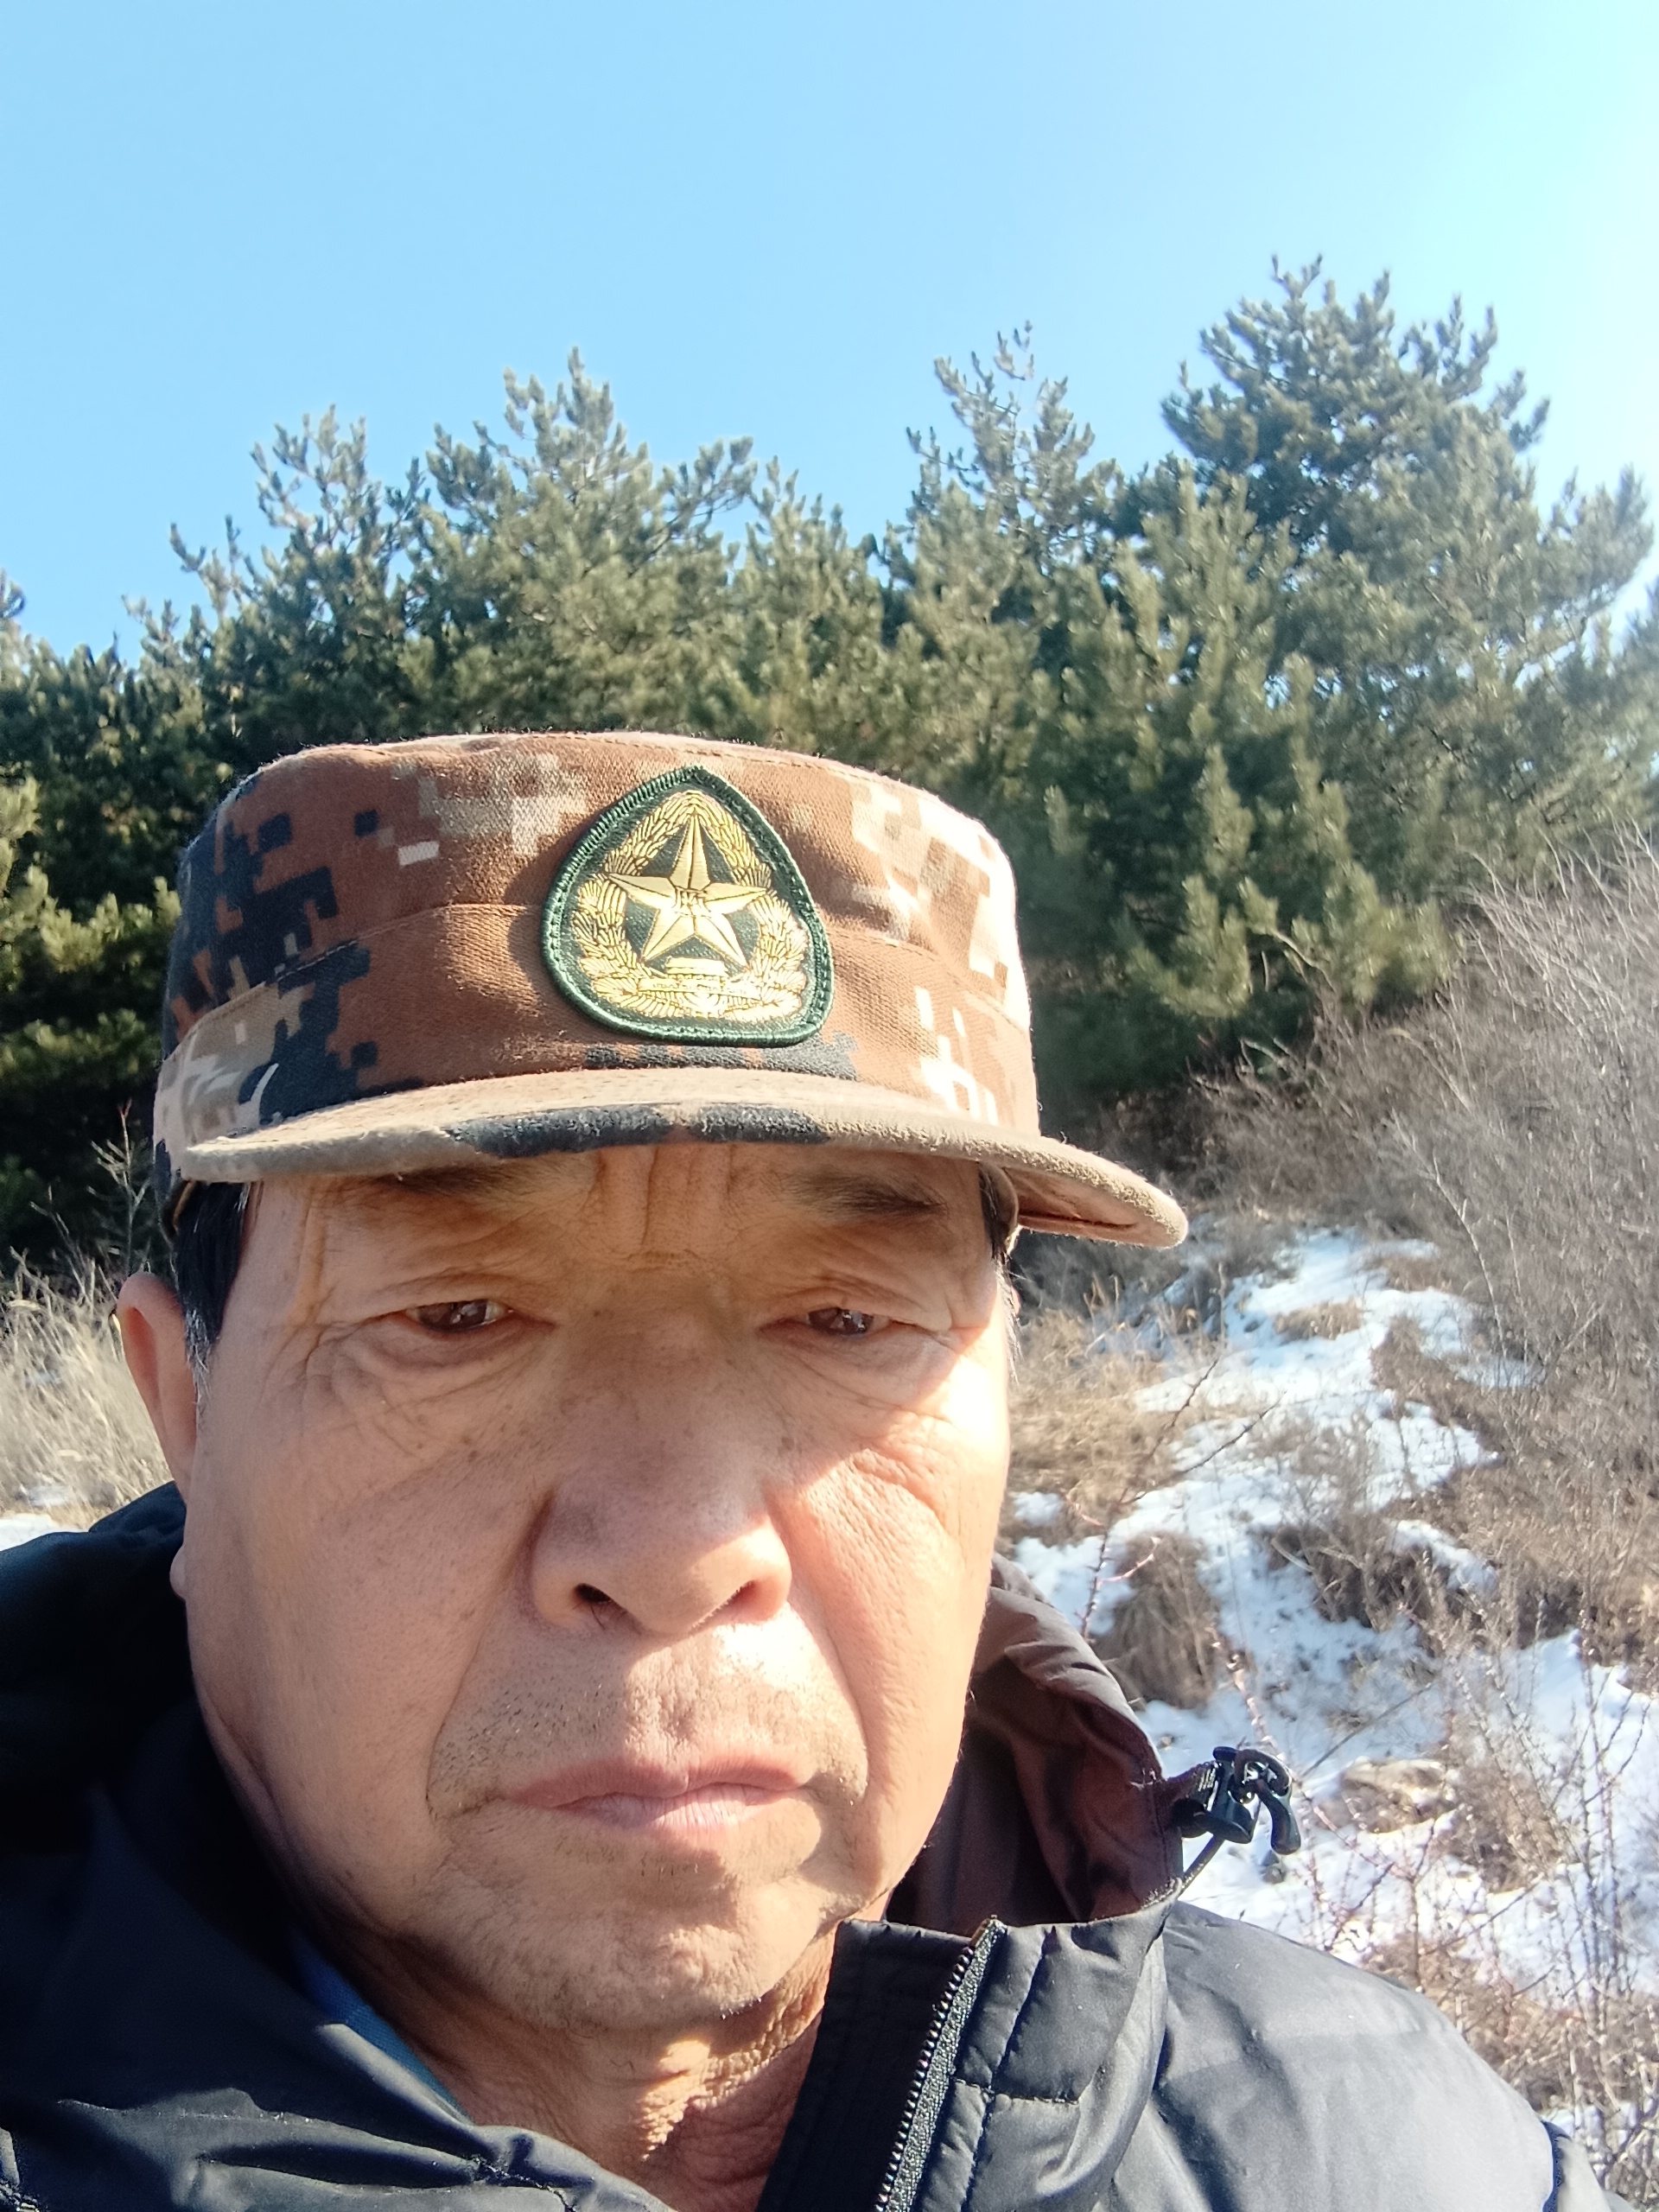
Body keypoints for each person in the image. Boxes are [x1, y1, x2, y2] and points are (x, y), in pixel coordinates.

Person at [0, 731, 1617, 2211]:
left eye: (847, 1319)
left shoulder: (1391, 2157)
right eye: (457, 1315)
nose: (680, 1545)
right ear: (185, 1413)